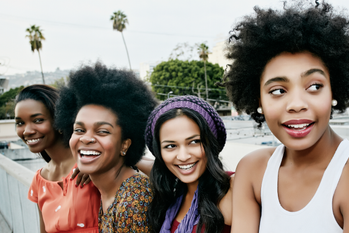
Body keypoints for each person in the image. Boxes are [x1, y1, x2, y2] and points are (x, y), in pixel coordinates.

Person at [223, 1, 349, 232]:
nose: (297, 105)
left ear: (333, 90)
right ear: (259, 102)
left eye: (314, 86)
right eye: (278, 91)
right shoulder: (253, 169)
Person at [54, 62, 157, 232]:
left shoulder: (132, 202)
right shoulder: (111, 186)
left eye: (102, 131)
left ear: (125, 144)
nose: (86, 138)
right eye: (79, 129)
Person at [16, 85, 100, 233]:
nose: (27, 131)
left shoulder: (92, 164)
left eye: (38, 120)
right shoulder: (39, 180)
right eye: (20, 123)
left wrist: (99, 161)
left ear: (60, 119)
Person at [145, 95, 233, 233]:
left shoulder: (234, 188)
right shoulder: (172, 195)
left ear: (211, 143)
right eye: (170, 146)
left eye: (194, 142)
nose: (183, 156)